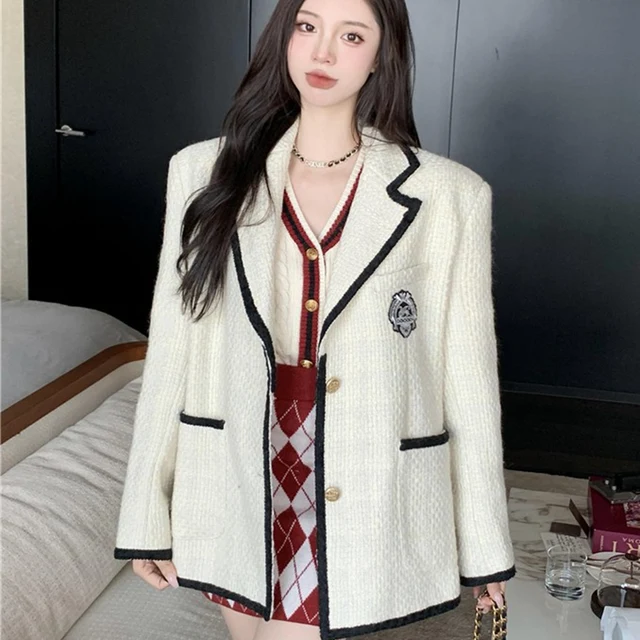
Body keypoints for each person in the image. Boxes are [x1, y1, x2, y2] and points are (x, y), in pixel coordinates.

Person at [113, 0, 517, 639]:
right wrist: (143, 514)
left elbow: (469, 382)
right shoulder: (202, 172)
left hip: (357, 473)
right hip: (233, 474)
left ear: (380, 56)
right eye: (307, 26)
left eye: (351, 35)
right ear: (285, 35)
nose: (323, 51)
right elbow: (172, 351)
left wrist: (485, 544)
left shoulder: (449, 196)